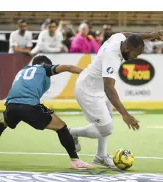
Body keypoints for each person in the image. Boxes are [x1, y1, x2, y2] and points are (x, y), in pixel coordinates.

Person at [0, 55, 92, 170]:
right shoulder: (44, 68)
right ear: (45, 64)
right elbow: (68, 67)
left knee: (1, 124)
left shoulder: (22, 71)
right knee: (61, 126)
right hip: (29, 106)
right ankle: (75, 161)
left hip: (11, 106)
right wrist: (87, 73)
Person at [69, 31, 163, 168]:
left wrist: (150, 35)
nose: (135, 58)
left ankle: (100, 156)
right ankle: (72, 133)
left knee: (108, 119)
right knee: (106, 129)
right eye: (135, 54)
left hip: (96, 87)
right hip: (88, 91)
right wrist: (125, 114)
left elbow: (128, 34)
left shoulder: (119, 39)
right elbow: (109, 88)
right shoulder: (112, 56)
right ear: (127, 48)